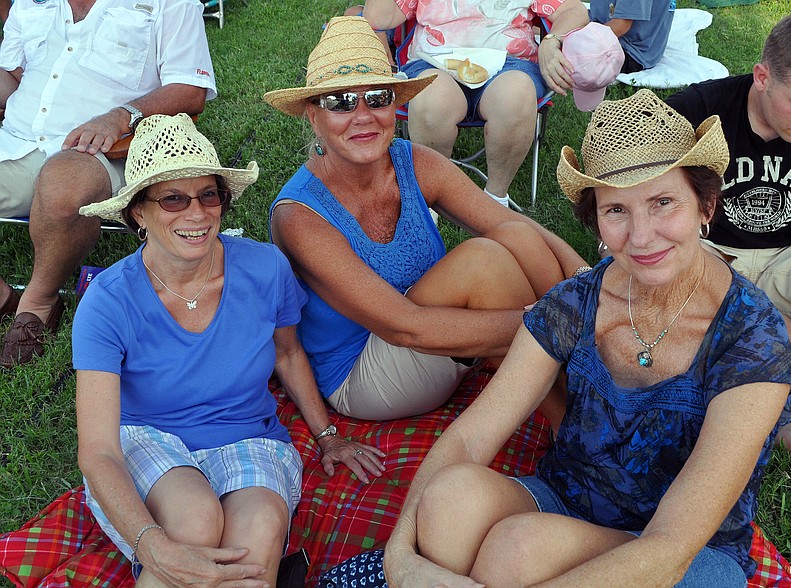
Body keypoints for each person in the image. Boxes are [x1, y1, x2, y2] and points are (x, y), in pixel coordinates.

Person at [383, 89, 791, 587]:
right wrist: (399, 556)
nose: (641, 236)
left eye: (663, 202)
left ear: (706, 204)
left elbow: (671, 546)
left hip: (686, 552)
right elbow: (470, 439)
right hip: (570, 502)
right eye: (616, 210)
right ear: (596, 219)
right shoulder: (577, 302)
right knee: (450, 501)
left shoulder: (751, 337)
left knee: (516, 552)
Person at [72, 114, 385, 587]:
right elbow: (98, 451)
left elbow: (288, 354)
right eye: (173, 198)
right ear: (138, 213)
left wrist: (328, 437)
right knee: (192, 523)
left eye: (208, 195)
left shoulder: (265, 267)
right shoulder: (108, 301)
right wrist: (149, 543)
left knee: (255, 543)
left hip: (247, 436)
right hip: (147, 436)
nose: (197, 214)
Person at [264, 16, 587, 422]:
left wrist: (587, 281)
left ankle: (583, 363)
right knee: (484, 262)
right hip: (365, 371)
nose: (363, 115)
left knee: (514, 236)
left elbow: (514, 227)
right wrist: (552, 321)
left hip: (436, 335)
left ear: (394, 106)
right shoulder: (299, 215)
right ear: (314, 116)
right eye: (340, 102)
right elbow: (405, 327)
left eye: (377, 97)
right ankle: (571, 416)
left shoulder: (412, 162)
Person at [666, 11, 791, 492]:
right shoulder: (697, 111)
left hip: (788, 262)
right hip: (704, 262)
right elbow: (628, 199)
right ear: (763, 76)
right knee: (653, 270)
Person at [0, 0, 216, 368]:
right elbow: (15, 79)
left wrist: (120, 117)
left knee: (64, 192)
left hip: (107, 148)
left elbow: (189, 88)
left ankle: (39, 302)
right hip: (17, 140)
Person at [362, 0, 588, 207]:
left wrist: (551, 40)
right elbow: (378, 18)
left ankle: (495, 199)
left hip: (509, 62)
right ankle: (432, 196)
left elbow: (573, 9)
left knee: (516, 94)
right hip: (433, 59)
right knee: (431, 98)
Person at [589, 0, 675, 74]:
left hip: (629, 50)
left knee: (582, 60)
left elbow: (620, 26)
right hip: (608, 30)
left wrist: (584, 39)